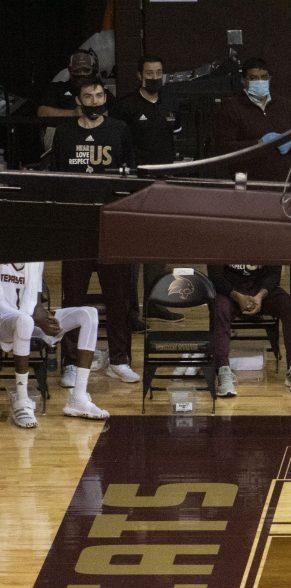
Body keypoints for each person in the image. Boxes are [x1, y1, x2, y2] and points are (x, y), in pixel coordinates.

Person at [50, 77, 139, 384]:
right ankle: (72, 363)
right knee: (73, 297)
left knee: (118, 297)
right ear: (79, 100)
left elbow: (131, 178)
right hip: (76, 228)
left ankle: (119, 359)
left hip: (112, 226)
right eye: (88, 96)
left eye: (99, 95)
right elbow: (56, 180)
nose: (95, 100)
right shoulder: (63, 133)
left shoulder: (119, 129)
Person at [113, 55, 183, 324]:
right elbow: (118, 144)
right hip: (134, 183)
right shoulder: (125, 106)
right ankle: (131, 310)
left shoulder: (171, 102)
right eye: (149, 73)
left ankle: (155, 302)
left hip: (163, 183)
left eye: (159, 72)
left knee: (157, 246)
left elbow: (176, 135)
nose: (155, 77)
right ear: (139, 76)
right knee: (132, 250)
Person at [1, 261, 109, 428]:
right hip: (5, 321)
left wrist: (43, 317)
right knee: (24, 321)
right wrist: (35, 317)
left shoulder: (35, 259)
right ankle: (21, 400)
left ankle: (78, 398)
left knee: (89, 314)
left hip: (28, 319)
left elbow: (35, 303)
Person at [208, 264, 291, 397]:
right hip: (230, 293)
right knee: (218, 307)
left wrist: (260, 296)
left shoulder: (270, 242)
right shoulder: (219, 242)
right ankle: (223, 371)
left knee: (290, 304)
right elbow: (215, 277)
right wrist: (237, 296)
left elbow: (274, 275)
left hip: (261, 294)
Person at [213, 58, 291, 182]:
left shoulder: (283, 105)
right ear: (243, 81)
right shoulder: (231, 108)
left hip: (281, 180)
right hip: (248, 180)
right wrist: (259, 144)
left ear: (269, 79)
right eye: (254, 78)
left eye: (264, 77)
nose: (260, 82)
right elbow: (224, 148)